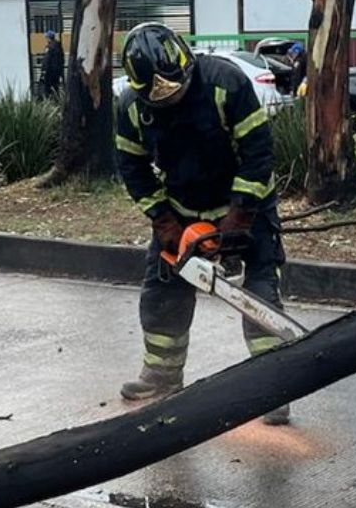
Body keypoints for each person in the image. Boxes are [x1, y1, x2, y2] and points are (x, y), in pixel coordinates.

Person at [113, 22, 292, 426]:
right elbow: (133, 168)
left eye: (175, 91)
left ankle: (275, 386)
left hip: (245, 205)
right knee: (161, 291)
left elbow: (258, 152)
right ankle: (161, 374)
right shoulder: (132, 108)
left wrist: (240, 214)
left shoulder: (224, 85)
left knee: (260, 294)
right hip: (181, 209)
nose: (171, 100)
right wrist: (164, 221)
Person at [40, 30, 64, 99]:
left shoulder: (49, 47)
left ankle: (49, 102)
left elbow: (46, 60)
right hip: (57, 71)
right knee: (55, 87)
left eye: (46, 37)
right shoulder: (59, 47)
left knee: (47, 88)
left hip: (49, 72)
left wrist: (43, 71)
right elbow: (62, 59)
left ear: (48, 38)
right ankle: (57, 100)